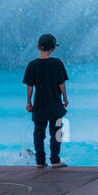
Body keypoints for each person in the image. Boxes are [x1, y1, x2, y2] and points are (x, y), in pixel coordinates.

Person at [23, 33, 69, 168]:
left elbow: (30, 86)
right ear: (53, 49)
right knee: (57, 133)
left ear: (37, 47)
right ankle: (55, 160)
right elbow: (61, 83)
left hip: (39, 105)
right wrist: (65, 98)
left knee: (38, 133)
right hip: (55, 104)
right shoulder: (57, 63)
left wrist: (29, 102)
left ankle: (40, 161)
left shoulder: (32, 65)